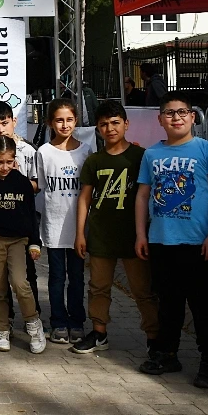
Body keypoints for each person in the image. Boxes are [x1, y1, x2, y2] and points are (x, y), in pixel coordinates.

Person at [135, 91, 208, 387]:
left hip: (198, 242)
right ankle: (167, 353)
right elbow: (143, 195)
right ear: (160, 119)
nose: (177, 118)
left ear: (192, 117)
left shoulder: (207, 151)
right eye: (170, 113)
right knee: (169, 303)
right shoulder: (151, 154)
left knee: (202, 306)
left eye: (182, 112)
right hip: (162, 240)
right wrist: (141, 234)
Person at [71, 101, 159, 355]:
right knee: (98, 287)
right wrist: (80, 233)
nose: (110, 128)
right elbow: (85, 198)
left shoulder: (140, 157)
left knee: (143, 290)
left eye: (115, 122)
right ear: (98, 129)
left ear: (126, 124)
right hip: (101, 235)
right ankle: (99, 333)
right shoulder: (94, 161)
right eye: (104, 124)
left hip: (134, 235)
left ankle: (154, 338)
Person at [0, 136, 46, 354]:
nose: (5, 167)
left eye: (9, 161)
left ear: (15, 160)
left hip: (18, 241)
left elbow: (31, 215)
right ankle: (2, 329)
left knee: (20, 283)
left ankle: (33, 324)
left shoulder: (22, 183)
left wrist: (34, 242)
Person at [36, 99, 93, 344]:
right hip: (54, 226)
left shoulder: (86, 151)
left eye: (69, 119)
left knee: (78, 277)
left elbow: (89, 191)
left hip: (79, 227)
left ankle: (77, 321)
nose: (65, 124)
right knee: (57, 277)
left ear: (76, 121)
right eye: (59, 120)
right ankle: (58, 322)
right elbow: (40, 186)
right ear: (50, 122)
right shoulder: (44, 152)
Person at [0, 101, 42, 324]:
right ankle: (4, 321)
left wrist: (18, 184)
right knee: (0, 280)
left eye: (4, 123)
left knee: (26, 275)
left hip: (23, 221)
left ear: (14, 121)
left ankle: (34, 318)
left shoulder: (28, 150)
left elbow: (37, 183)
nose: (0, 130)